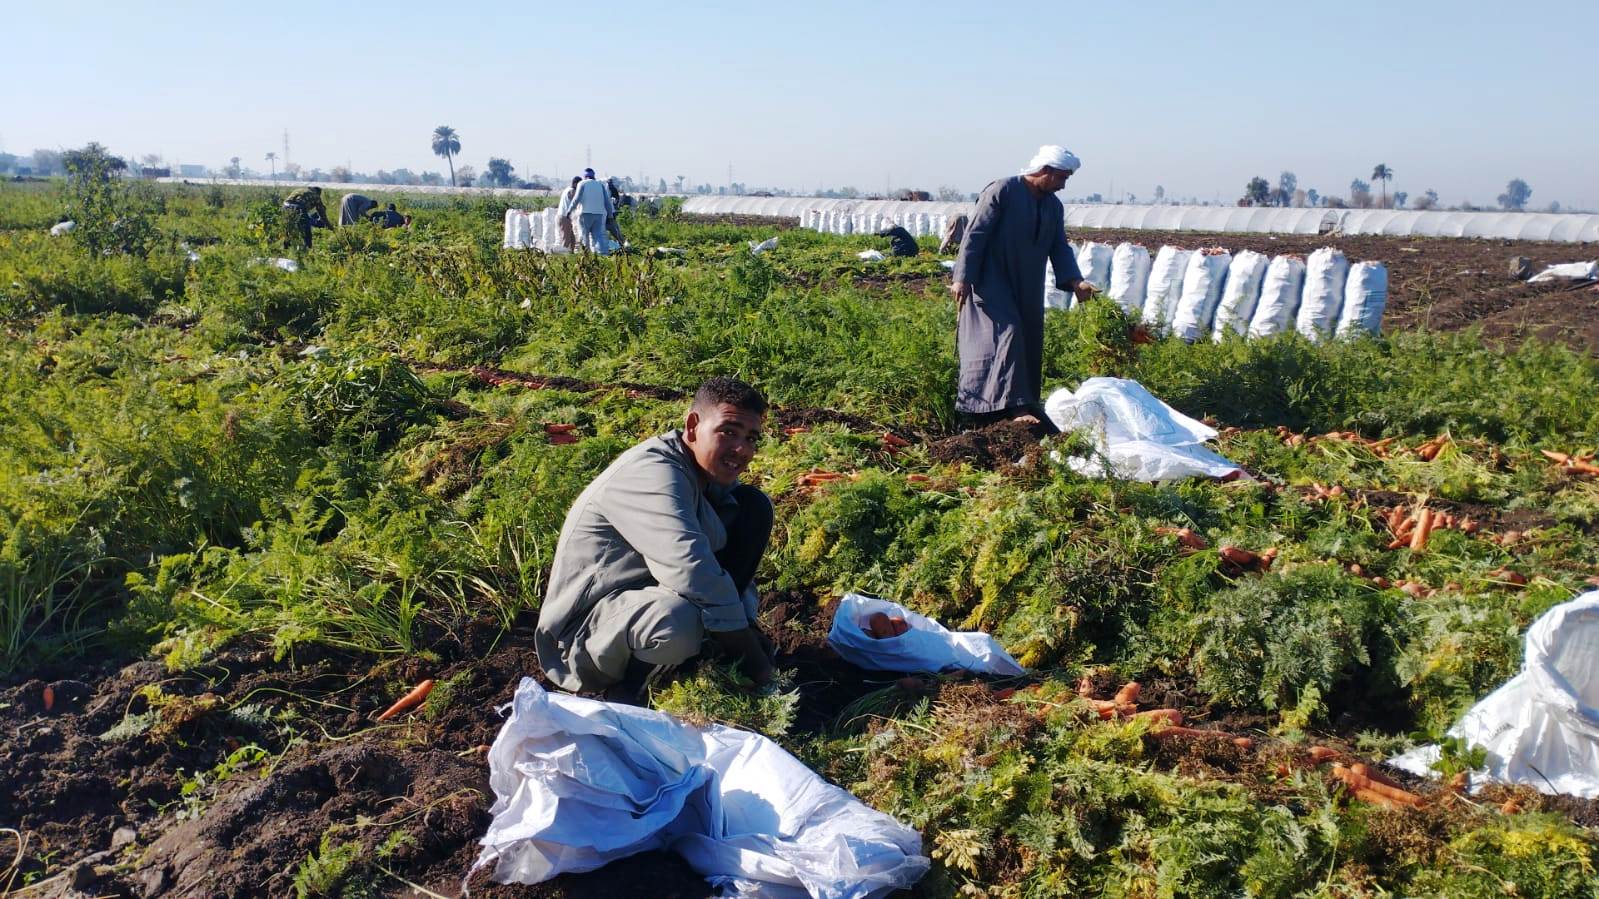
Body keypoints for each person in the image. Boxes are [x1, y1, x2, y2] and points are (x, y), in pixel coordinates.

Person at [535, 377, 777, 702]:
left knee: (752, 508)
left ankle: (700, 654)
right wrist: (752, 657)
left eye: (751, 438)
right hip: (584, 636)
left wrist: (745, 623)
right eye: (728, 432)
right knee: (676, 620)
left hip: (643, 603)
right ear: (693, 426)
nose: (742, 449)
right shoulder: (652, 473)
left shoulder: (705, 477)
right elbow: (693, 569)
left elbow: (723, 562)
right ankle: (629, 696)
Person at [950, 145, 1096, 429]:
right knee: (1009, 332)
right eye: (1061, 178)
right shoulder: (1002, 191)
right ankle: (1010, 407)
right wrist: (962, 277)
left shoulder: (1053, 206)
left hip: (1028, 284)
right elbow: (975, 235)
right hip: (991, 280)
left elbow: (1059, 247)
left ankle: (1021, 402)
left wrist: (1076, 281)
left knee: (1028, 337)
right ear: (1044, 171)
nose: (1063, 185)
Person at [570, 169, 615, 255]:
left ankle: (585, 255)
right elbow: (607, 202)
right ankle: (603, 254)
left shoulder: (582, 183)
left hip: (585, 214)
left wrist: (569, 210)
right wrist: (610, 216)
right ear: (593, 176)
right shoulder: (600, 185)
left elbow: (576, 199)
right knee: (598, 236)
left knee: (584, 236)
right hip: (598, 215)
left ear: (585, 176)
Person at [556, 176, 581, 251]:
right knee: (566, 239)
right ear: (576, 184)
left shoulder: (567, 189)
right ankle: (563, 254)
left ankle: (571, 253)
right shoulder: (572, 191)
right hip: (564, 217)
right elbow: (576, 201)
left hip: (565, 217)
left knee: (572, 239)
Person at [605, 178, 626, 247]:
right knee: (616, 231)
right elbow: (616, 199)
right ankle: (623, 245)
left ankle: (622, 244)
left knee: (614, 231)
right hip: (610, 213)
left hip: (604, 213)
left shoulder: (605, 187)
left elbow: (616, 199)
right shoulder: (610, 188)